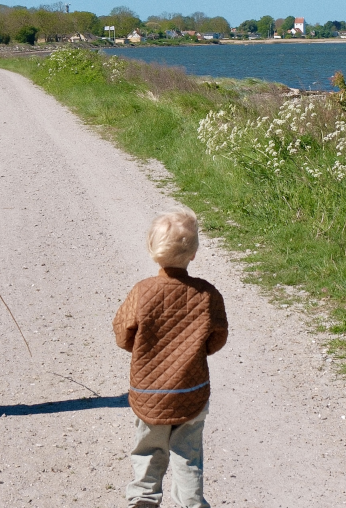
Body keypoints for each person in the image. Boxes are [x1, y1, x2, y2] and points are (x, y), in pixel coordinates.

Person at [113, 207, 229, 508]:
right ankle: (191, 502)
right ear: (193, 253)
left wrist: (145, 347)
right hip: (191, 392)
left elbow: (123, 335)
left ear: (152, 250)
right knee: (187, 454)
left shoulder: (142, 292)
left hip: (149, 390)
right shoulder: (207, 295)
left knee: (148, 448)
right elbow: (217, 338)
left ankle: (143, 498)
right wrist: (195, 350)